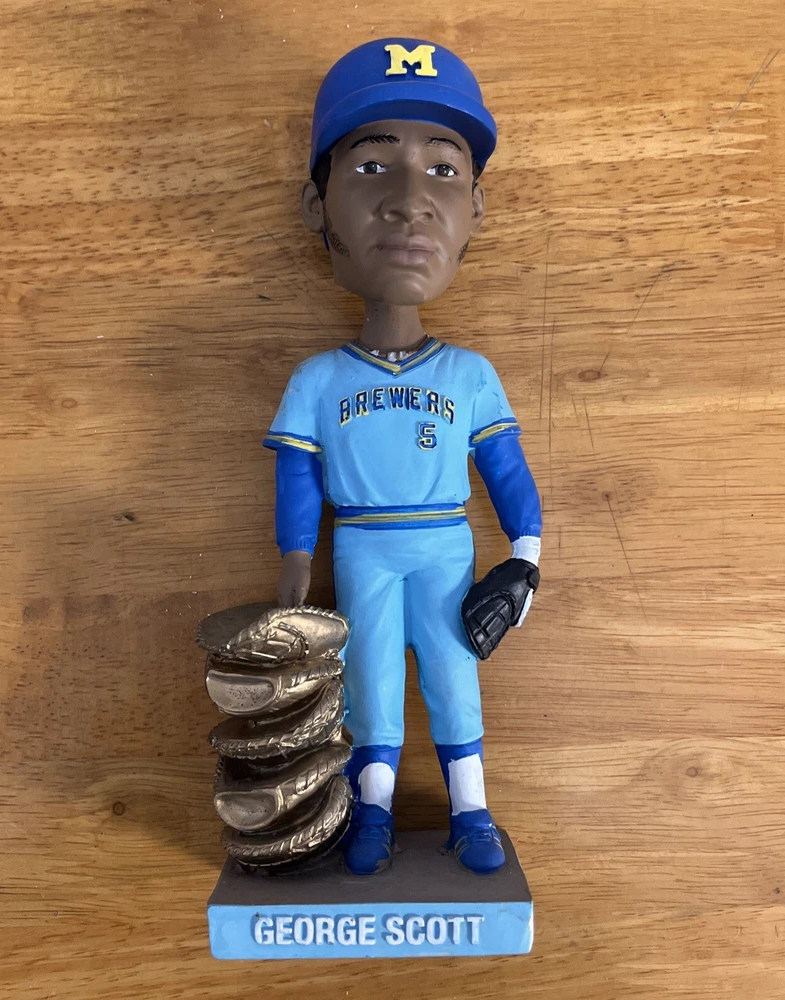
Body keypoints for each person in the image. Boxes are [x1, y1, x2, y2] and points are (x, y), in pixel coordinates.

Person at [262, 39, 542, 876]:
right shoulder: (319, 378)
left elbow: (506, 471)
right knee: (370, 681)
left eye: (445, 170)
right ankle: (373, 812)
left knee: (455, 674)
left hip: (445, 540)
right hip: (364, 541)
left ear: (476, 209)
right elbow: (297, 472)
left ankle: (472, 811)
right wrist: (294, 558)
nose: (412, 202)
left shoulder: (469, 373)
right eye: (373, 167)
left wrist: (526, 559)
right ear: (318, 207)